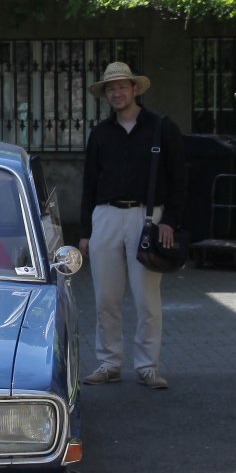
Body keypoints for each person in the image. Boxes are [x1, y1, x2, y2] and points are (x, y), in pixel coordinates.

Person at [79, 61, 186, 390]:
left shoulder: (161, 127)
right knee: (105, 298)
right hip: (105, 216)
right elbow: (89, 184)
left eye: (122, 87)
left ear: (135, 89)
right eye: (111, 89)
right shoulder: (100, 133)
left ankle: (147, 366)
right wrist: (85, 233)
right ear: (105, 94)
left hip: (147, 216)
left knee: (146, 299)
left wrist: (170, 221)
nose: (117, 93)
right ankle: (109, 363)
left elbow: (179, 179)